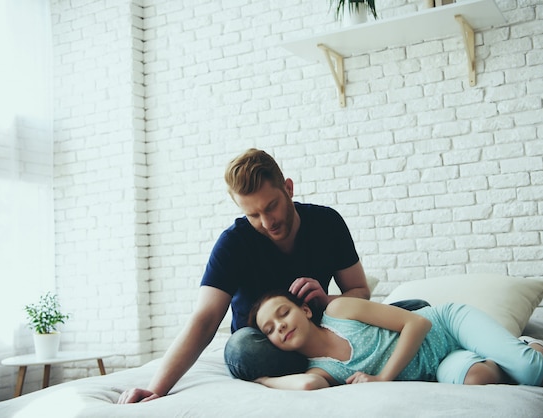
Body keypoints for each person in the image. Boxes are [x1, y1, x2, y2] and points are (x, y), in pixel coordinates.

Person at [118, 148, 428, 403]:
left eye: (272, 207)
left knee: (415, 308)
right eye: (253, 215)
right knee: (242, 348)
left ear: (288, 189)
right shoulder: (233, 244)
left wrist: (328, 299)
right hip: (270, 349)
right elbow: (205, 319)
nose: (267, 223)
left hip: (322, 336)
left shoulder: (327, 223)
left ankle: (331, 369)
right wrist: (157, 388)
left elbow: (360, 290)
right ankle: (327, 372)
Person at [249, 289, 543, 390]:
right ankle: (497, 358)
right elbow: (307, 387)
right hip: (439, 363)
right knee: (478, 378)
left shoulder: (339, 310)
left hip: (447, 326)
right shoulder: (321, 370)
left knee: (534, 374)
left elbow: (415, 323)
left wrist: (382, 378)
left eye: (283, 313)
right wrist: (265, 381)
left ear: (305, 310)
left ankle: (533, 349)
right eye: (269, 330)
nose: (279, 326)